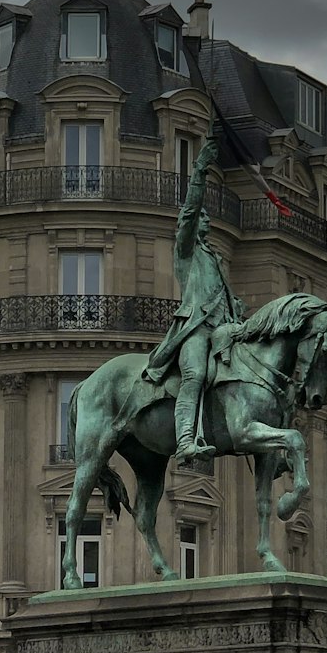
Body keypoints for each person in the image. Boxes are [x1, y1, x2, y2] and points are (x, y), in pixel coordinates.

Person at [142, 135, 245, 463]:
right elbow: (188, 212)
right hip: (195, 330)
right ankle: (186, 439)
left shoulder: (213, 258)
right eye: (202, 217)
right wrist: (199, 172)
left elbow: (227, 300)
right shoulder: (186, 251)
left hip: (224, 331)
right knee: (195, 375)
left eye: (206, 217)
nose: (206, 220)